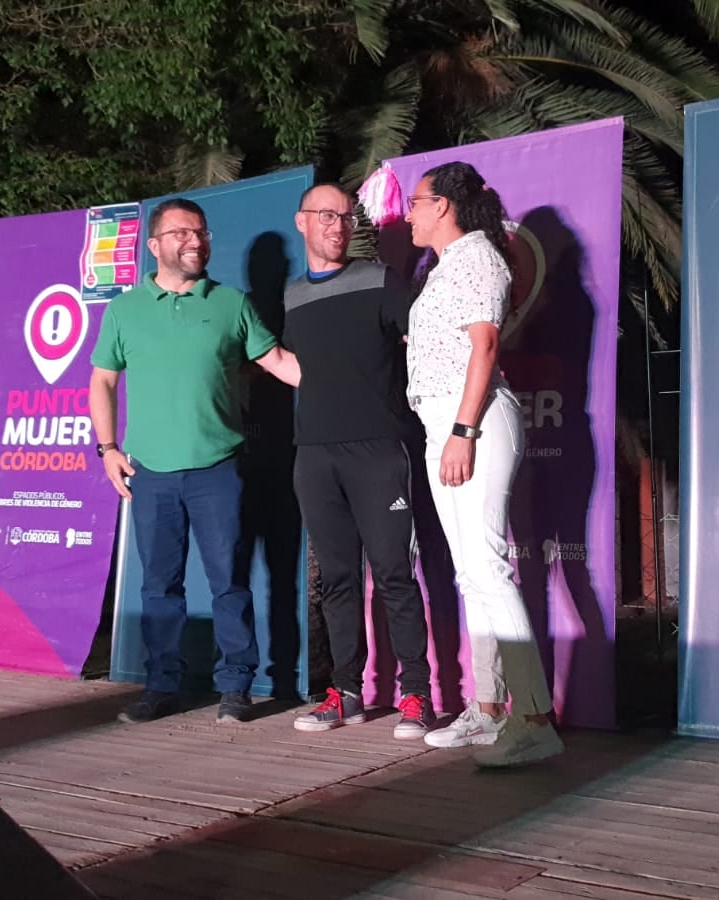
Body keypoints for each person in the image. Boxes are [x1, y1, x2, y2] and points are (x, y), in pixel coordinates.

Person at [87, 197, 301, 726]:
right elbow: (103, 381)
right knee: (159, 585)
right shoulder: (125, 309)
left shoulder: (230, 304)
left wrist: (351, 378)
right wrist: (108, 449)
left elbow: (277, 363)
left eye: (201, 233)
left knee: (230, 582)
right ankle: (162, 686)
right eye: (182, 232)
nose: (196, 241)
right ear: (155, 245)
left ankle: (236, 688)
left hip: (218, 470)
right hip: (151, 473)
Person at [401, 161, 564, 767]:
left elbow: (485, 345)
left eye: (417, 202)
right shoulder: (447, 267)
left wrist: (463, 429)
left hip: (470, 420)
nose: (408, 213)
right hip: (441, 421)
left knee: (489, 568)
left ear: (443, 205)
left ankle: (535, 719)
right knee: (472, 572)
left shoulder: (476, 258)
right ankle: (490, 707)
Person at [284, 183, 436, 740]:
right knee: (338, 580)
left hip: (378, 451)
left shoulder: (379, 281)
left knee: (395, 575)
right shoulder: (293, 295)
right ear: (302, 222)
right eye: (326, 215)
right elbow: (298, 366)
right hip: (314, 455)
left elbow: (420, 345)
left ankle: (416, 694)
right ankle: (345, 691)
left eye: (346, 216)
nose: (337, 225)